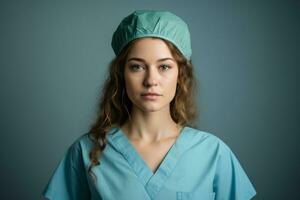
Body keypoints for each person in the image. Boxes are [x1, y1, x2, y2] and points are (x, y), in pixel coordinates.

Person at [42, 10, 257, 200]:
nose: (151, 80)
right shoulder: (87, 151)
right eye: (137, 67)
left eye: (164, 67)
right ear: (121, 75)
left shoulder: (212, 153)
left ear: (181, 75)